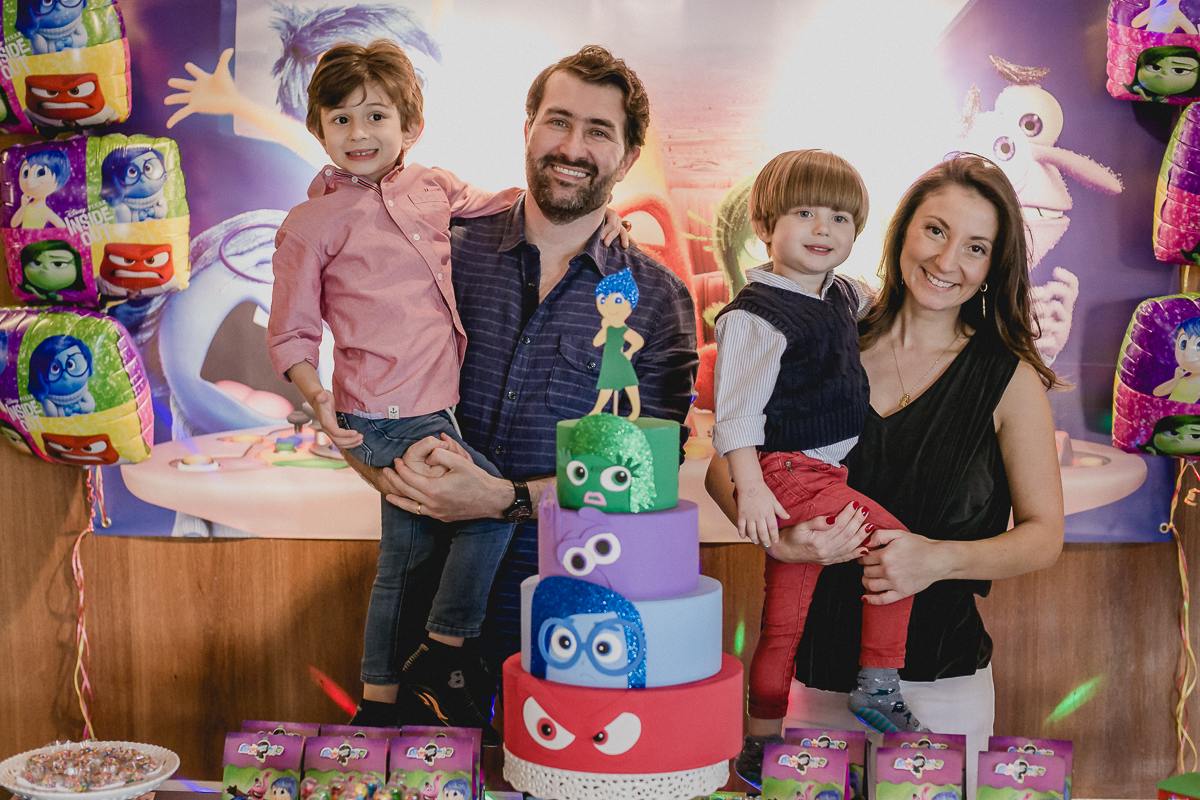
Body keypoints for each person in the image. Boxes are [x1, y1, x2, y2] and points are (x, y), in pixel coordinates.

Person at [264, 40, 627, 743]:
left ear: (410, 125)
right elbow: (291, 332)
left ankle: (377, 698)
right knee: (491, 507)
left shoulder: (432, 187)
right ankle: (446, 650)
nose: (360, 134)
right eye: (340, 120)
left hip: (435, 407)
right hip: (385, 412)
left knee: (403, 560)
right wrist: (319, 401)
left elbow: (502, 206)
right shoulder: (309, 225)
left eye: (376, 116)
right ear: (318, 130)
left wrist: (597, 218)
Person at [341, 44, 698, 727]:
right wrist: (389, 474)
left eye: (599, 131)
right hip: (416, 622)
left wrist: (501, 499)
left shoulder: (655, 299)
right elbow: (362, 382)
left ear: (626, 158)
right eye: (558, 121)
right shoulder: (439, 246)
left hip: (568, 620)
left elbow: (648, 471)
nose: (572, 146)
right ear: (528, 128)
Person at [706, 154, 1064, 798]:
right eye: (935, 230)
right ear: (900, 233)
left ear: (992, 266)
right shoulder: (831, 335)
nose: (948, 260)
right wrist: (778, 538)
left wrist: (935, 560)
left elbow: (1043, 538)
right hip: (812, 683)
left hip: (940, 688)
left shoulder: (1005, 377)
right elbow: (723, 469)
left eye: (976, 247)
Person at [712, 150, 925, 787]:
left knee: (783, 624)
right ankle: (879, 684)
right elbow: (738, 414)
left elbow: (883, 309)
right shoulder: (756, 314)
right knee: (894, 544)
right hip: (789, 473)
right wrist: (749, 488)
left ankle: (759, 742)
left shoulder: (840, 293)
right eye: (804, 213)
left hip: (820, 478)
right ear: (765, 224)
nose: (822, 228)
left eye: (839, 217)